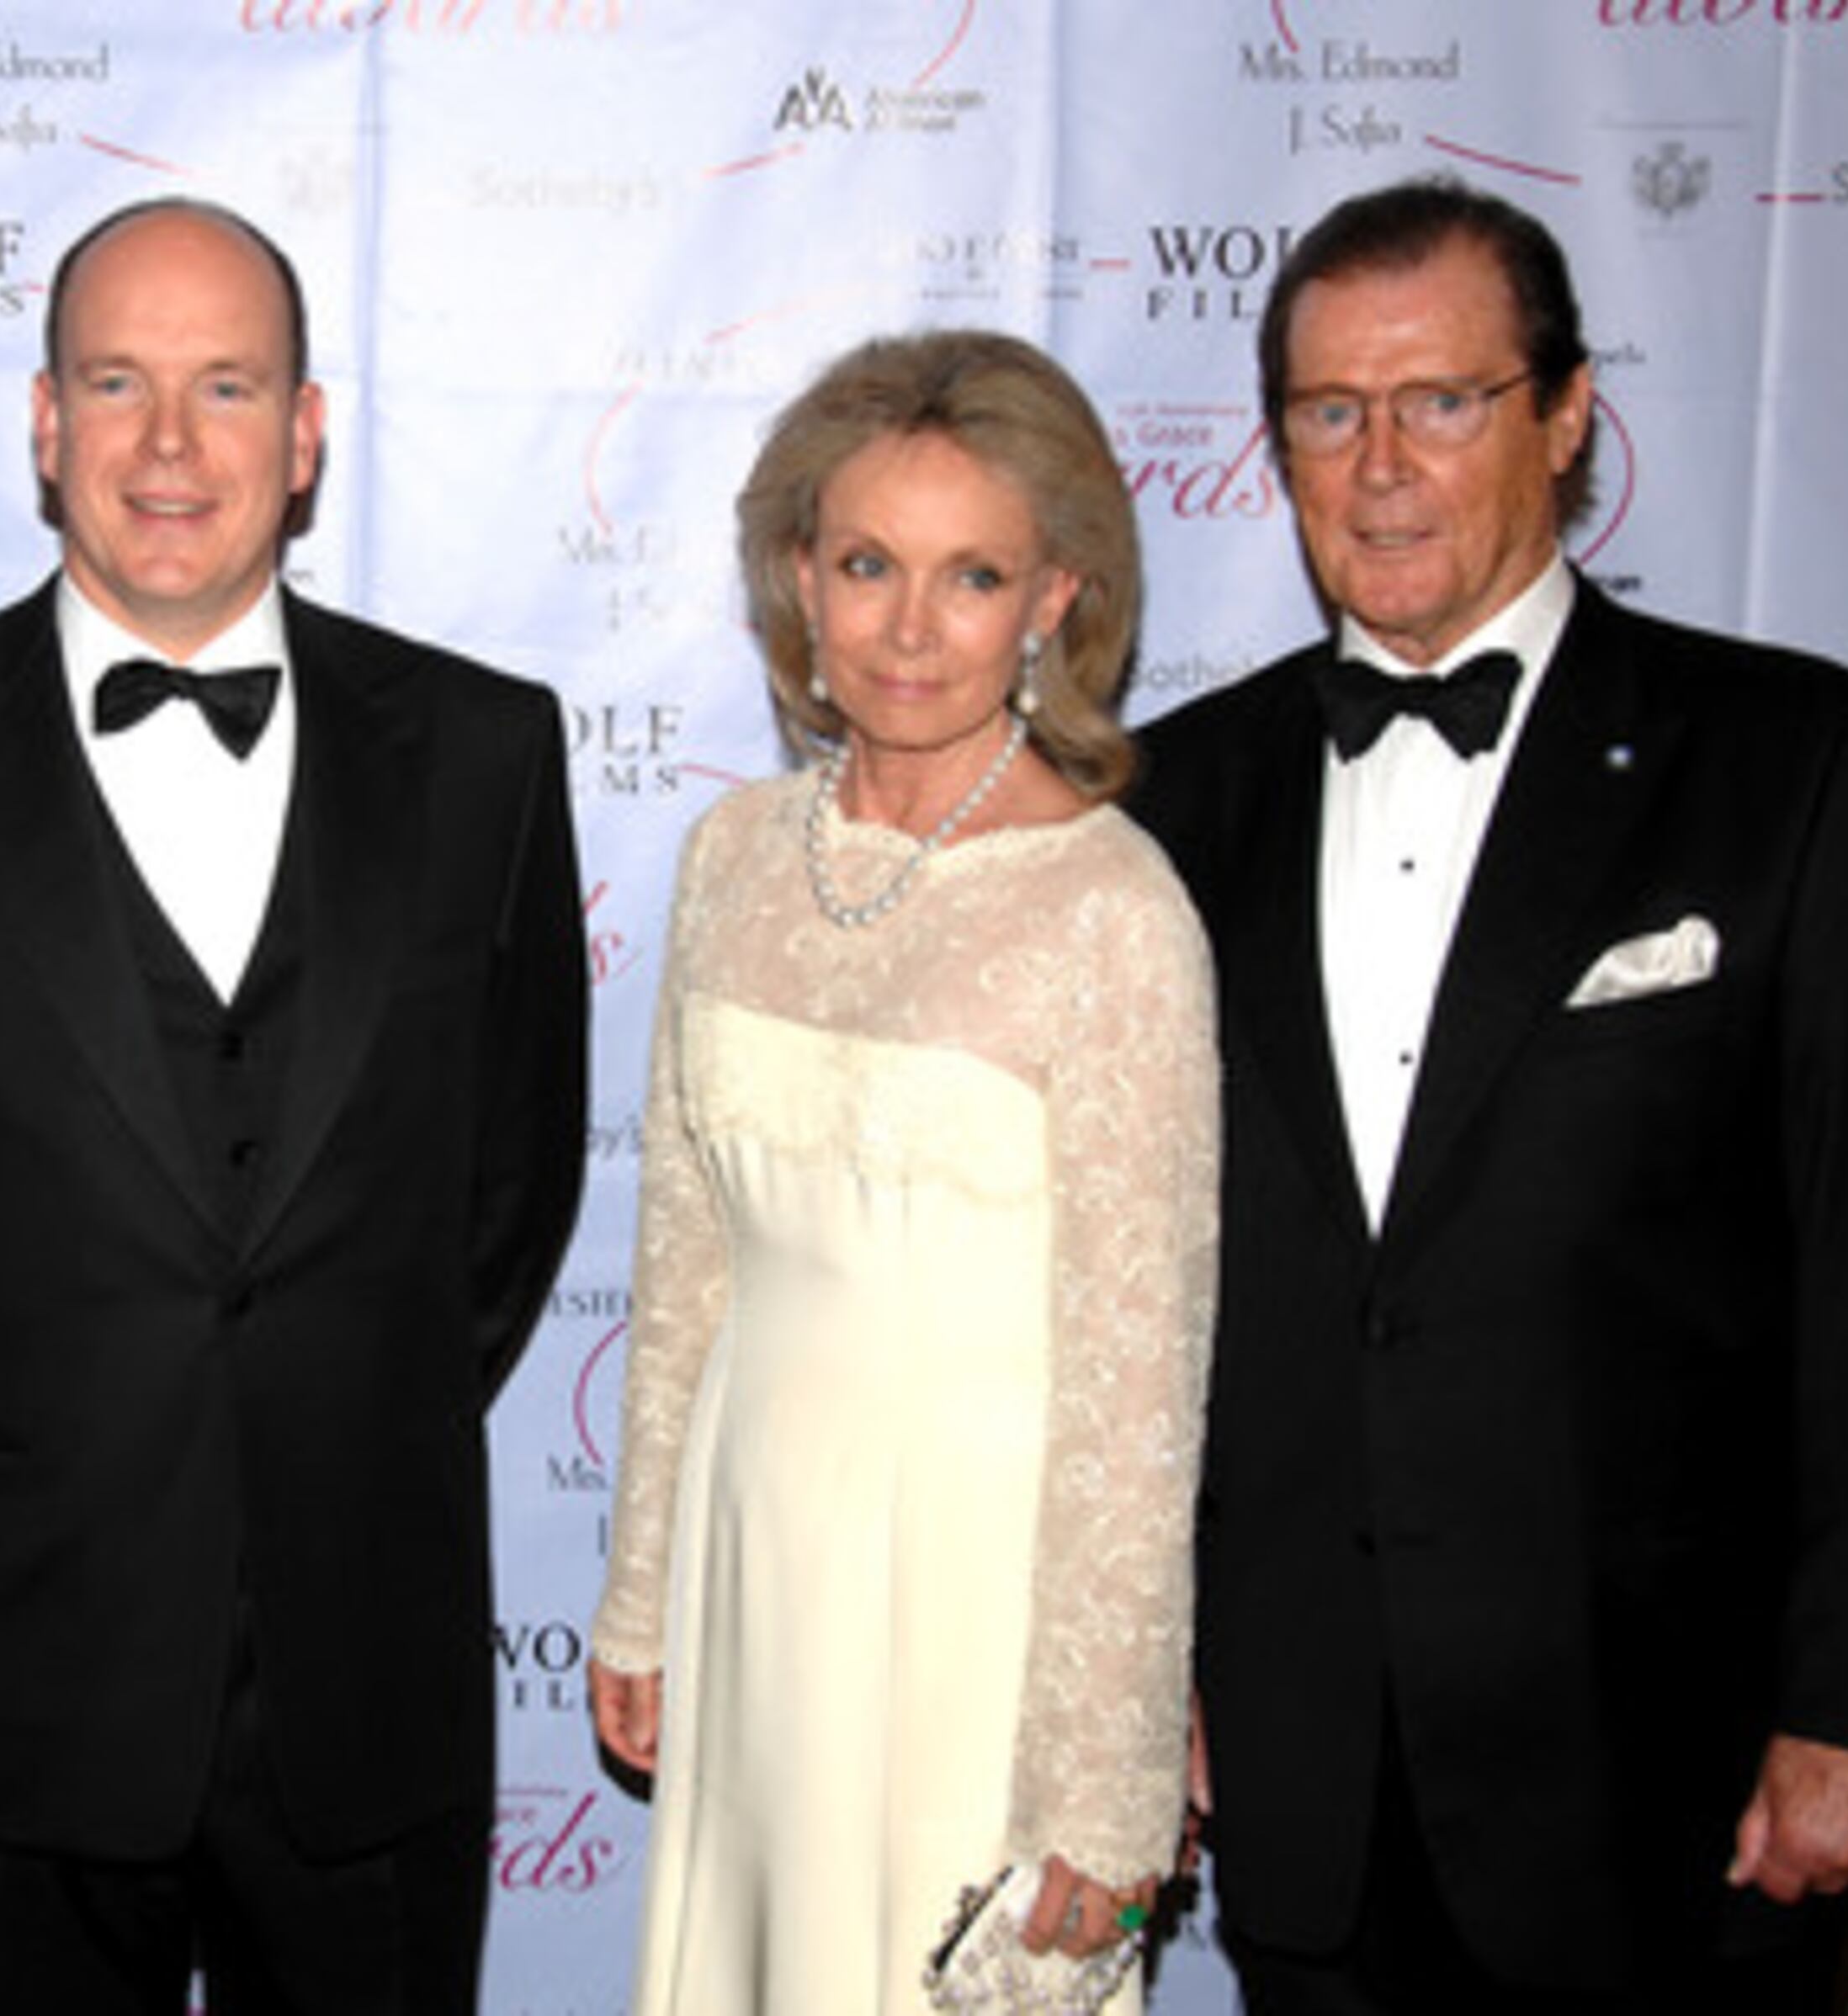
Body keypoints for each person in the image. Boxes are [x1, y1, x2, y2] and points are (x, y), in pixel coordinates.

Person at [1134, 177, 1848, 2011]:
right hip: (1309, 1775)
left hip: (1673, 1780)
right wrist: (1139, 1668)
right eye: (1329, 412)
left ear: (1563, 415)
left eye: (1441, 400)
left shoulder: (1798, 761)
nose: (1381, 464)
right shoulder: (1171, 801)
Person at [0, 197, 587, 2015]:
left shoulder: (489, 755)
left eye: (227, 385)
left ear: (305, 434)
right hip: (13, 1674)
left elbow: (509, 1197)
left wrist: (332, 1425)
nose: (170, 443)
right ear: (44, 424)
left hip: (372, 1675)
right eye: (118, 382)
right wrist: (19, 1462)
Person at [587, 329, 1219, 2015]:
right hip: (755, 1550)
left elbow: (1138, 1393)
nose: (911, 626)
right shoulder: (731, 856)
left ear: (1057, 598)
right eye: (868, 564)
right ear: (800, 575)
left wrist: (1107, 1774)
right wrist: (644, 1587)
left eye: (973, 574)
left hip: (980, 1592)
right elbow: (685, 1272)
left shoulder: (1116, 913)